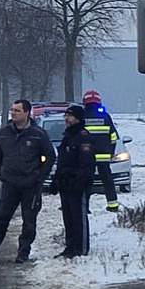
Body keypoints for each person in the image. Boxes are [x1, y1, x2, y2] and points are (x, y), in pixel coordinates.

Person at [0, 99, 54, 265]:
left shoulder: (38, 134)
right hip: (10, 185)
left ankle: (23, 253)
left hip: (31, 186)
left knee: (29, 221)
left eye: (17, 110)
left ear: (27, 113)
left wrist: (39, 176)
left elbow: (49, 157)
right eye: (12, 110)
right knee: (0, 219)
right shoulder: (4, 132)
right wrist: (1, 173)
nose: (13, 113)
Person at [49, 104, 95, 258]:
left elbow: (87, 164)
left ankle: (80, 250)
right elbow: (62, 162)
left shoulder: (83, 137)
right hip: (65, 184)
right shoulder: (68, 137)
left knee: (78, 218)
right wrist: (56, 180)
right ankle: (70, 247)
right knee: (68, 218)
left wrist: (80, 183)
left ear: (78, 118)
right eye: (66, 116)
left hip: (77, 185)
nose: (67, 119)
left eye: (70, 116)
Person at [82, 89, 120, 212]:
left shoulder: (82, 116)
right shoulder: (105, 116)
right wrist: (111, 152)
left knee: (86, 182)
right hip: (104, 156)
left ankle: (85, 207)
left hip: (86, 156)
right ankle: (113, 205)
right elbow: (113, 137)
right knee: (108, 180)